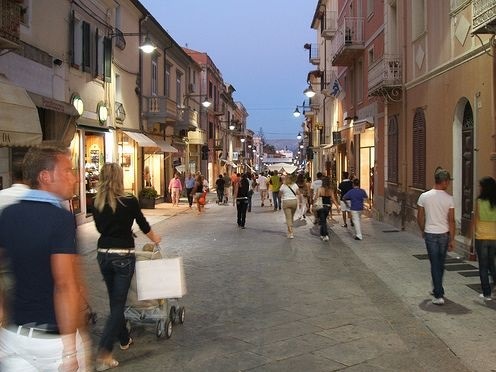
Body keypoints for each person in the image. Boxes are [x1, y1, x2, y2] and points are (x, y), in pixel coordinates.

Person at [0, 143, 90, 372]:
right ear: (45, 177)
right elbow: (65, 285)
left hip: (14, 337)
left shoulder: (9, 214)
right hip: (53, 343)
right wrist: (70, 351)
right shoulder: (60, 219)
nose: (74, 178)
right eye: (67, 171)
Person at [93, 163, 161, 370]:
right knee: (118, 304)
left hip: (103, 254)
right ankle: (104, 352)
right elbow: (143, 224)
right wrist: (155, 238)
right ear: (120, 178)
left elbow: (100, 228)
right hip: (123, 255)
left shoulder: (96, 201)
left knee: (115, 300)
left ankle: (123, 339)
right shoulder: (129, 201)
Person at [417, 168, 455, 306]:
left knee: (434, 264)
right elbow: (451, 220)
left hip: (430, 234)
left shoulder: (424, 196)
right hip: (444, 235)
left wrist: (423, 230)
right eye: (448, 182)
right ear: (444, 182)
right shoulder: (449, 199)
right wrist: (452, 239)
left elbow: (420, 217)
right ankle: (438, 290)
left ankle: (438, 293)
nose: (449, 184)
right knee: (440, 264)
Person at [472, 176, 496, 300]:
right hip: (494, 238)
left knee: (483, 266)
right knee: (492, 265)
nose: (479, 188)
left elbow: (475, 220)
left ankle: (486, 294)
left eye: (480, 186)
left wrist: (470, 237)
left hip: (481, 238)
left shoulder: (479, 202)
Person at [315, 176, 340, 241]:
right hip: (328, 206)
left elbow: (316, 197)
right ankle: (322, 234)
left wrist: (313, 205)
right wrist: (337, 206)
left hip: (321, 206)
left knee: (323, 220)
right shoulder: (331, 190)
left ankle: (325, 234)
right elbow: (333, 199)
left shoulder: (320, 189)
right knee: (323, 219)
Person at [279, 174, 299, 238]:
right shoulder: (295, 185)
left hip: (286, 202)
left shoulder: (283, 186)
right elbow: (298, 193)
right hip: (294, 201)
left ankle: (290, 232)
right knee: (291, 217)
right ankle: (290, 230)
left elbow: (279, 194)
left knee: (288, 217)